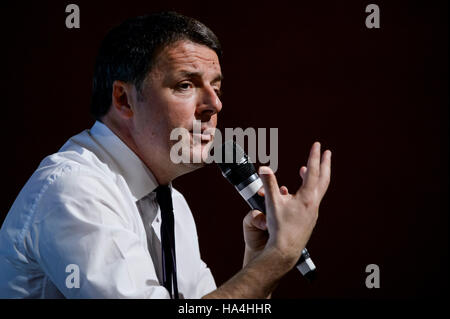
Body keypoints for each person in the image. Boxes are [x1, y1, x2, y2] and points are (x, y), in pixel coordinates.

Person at [0, 11, 331, 299]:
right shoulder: (73, 190)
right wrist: (279, 256)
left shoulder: (172, 204)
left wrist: (258, 262)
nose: (215, 105)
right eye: (186, 84)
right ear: (124, 99)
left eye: (216, 87)